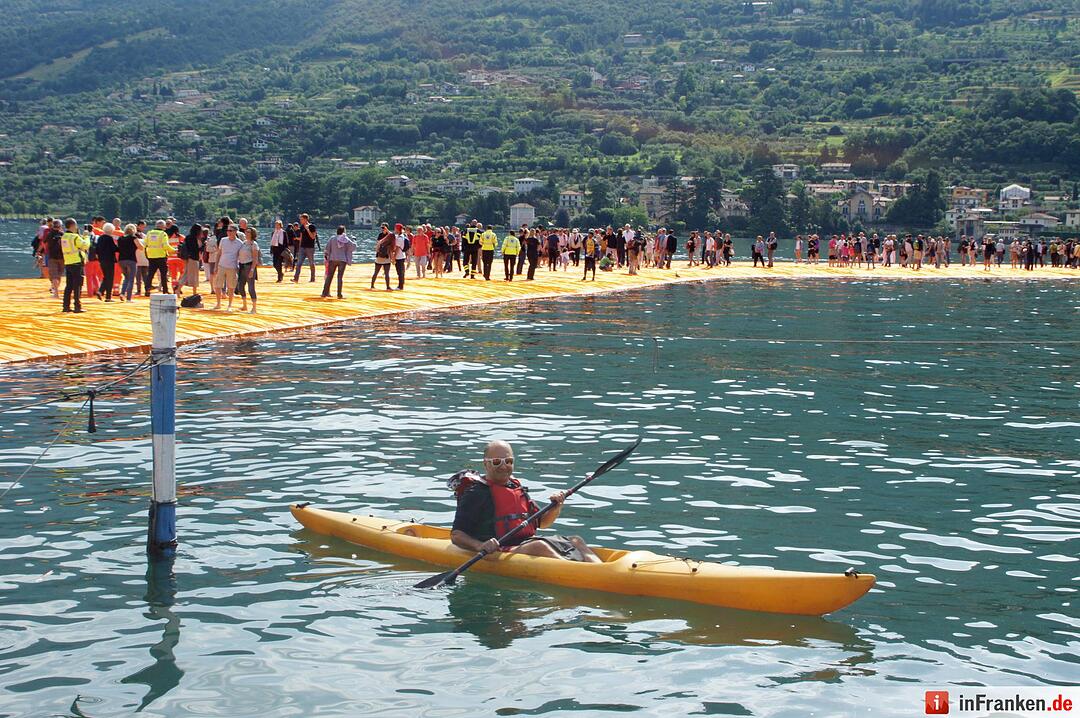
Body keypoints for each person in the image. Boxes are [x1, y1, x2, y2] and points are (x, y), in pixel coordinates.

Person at [450, 440, 601, 563]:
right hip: (500, 549)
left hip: (525, 543)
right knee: (539, 546)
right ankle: (579, 574)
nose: (504, 466)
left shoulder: (516, 487)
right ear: (486, 464)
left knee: (576, 540)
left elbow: (542, 523)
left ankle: (599, 570)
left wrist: (557, 506)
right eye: (497, 462)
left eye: (508, 461)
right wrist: (480, 545)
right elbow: (456, 535)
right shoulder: (475, 493)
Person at [212, 224, 244, 310]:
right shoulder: (223, 240)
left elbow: (241, 256)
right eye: (228, 231)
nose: (228, 232)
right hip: (221, 265)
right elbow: (219, 253)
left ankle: (230, 305)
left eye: (230, 231)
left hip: (232, 267)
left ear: (235, 232)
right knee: (218, 286)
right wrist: (216, 266)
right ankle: (218, 303)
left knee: (231, 287)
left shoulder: (239, 243)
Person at [322, 226, 356, 298]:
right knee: (340, 277)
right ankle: (339, 294)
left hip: (332, 259)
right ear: (344, 231)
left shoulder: (332, 238)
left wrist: (326, 258)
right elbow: (353, 247)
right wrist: (354, 240)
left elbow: (327, 249)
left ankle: (324, 293)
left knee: (329, 276)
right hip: (342, 260)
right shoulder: (346, 239)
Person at [144, 220, 172, 293]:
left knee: (150, 274)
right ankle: (165, 290)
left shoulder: (149, 233)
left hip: (151, 256)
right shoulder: (163, 234)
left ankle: (147, 289)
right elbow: (165, 246)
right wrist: (173, 250)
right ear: (163, 226)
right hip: (161, 256)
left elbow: (145, 244)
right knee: (163, 274)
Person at [292, 214, 319, 282]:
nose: (300, 220)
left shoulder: (312, 226)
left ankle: (312, 279)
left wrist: (308, 229)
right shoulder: (301, 227)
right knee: (299, 263)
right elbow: (301, 238)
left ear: (306, 219)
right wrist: (299, 247)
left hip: (310, 248)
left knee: (311, 263)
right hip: (302, 248)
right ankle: (296, 278)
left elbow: (313, 237)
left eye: (301, 219)